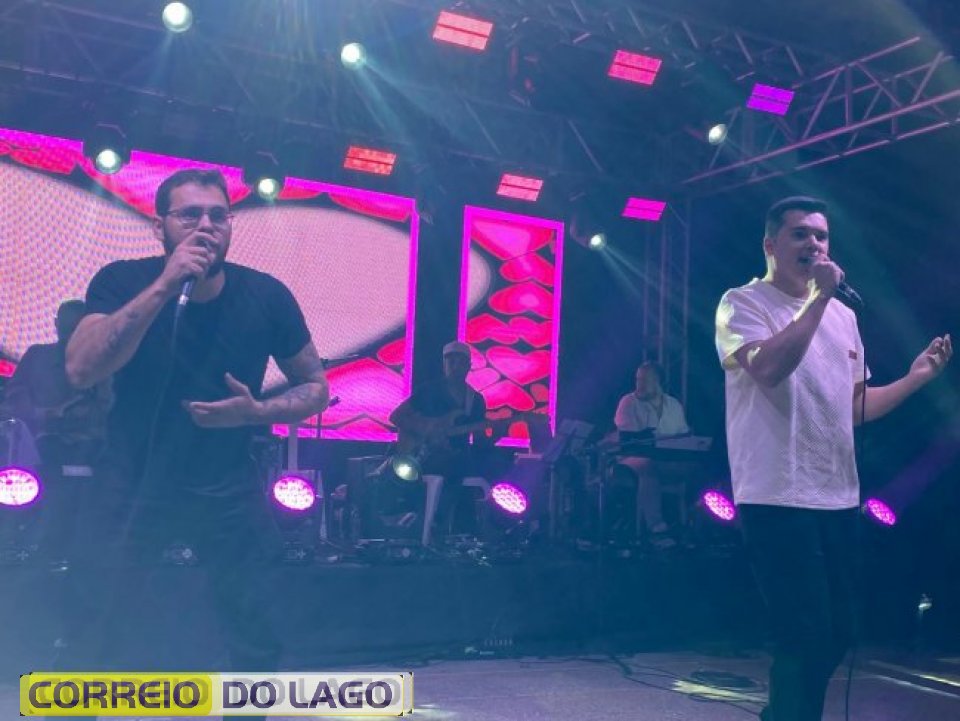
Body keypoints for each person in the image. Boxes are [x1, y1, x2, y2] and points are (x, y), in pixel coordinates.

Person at [63, 169, 329, 717]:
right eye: (189, 215)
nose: (206, 226)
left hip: (224, 480)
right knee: (97, 615)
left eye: (218, 215)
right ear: (160, 225)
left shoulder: (266, 295)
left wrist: (258, 412)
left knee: (253, 619)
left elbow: (316, 387)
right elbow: (82, 368)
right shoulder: (122, 280)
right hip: (132, 476)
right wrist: (165, 285)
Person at [715, 196, 952, 721]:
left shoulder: (844, 316)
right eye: (800, 234)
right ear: (771, 245)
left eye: (821, 236)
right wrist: (819, 299)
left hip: (836, 494)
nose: (814, 244)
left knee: (840, 631)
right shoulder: (743, 303)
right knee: (803, 633)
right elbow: (769, 369)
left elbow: (856, 406)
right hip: (775, 492)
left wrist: (915, 379)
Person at [0, 300, 112, 559]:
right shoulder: (37, 356)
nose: (69, 335)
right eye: (65, 328)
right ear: (55, 326)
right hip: (40, 451)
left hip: (92, 450)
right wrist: (46, 416)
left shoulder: (105, 361)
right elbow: (14, 403)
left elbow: (111, 406)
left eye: (75, 329)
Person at [389, 340, 504, 544]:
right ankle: (435, 524)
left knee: (483, 466)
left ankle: (479, 531)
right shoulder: (428, 391)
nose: (455, 366)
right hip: (424, 455)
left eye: (461, 361)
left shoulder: (475, 400)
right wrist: (426, 429)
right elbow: (396, 416)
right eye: (451, 361)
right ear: (444, 364)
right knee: (449, 467)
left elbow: (480, 443)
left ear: (469, 366)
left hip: (458, 456)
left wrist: (497, 435)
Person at [611, 361, 690, 547]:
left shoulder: (674, 405)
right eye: (638, 380)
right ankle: (657, 528)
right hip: (631, 458)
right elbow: (630, 441)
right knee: (646, 465)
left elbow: (683, 435)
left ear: (659, 381)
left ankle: (694, 524)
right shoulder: (628, 402)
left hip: (667, 459)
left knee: (698, 468)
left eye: (645, 380)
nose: (640, 384)